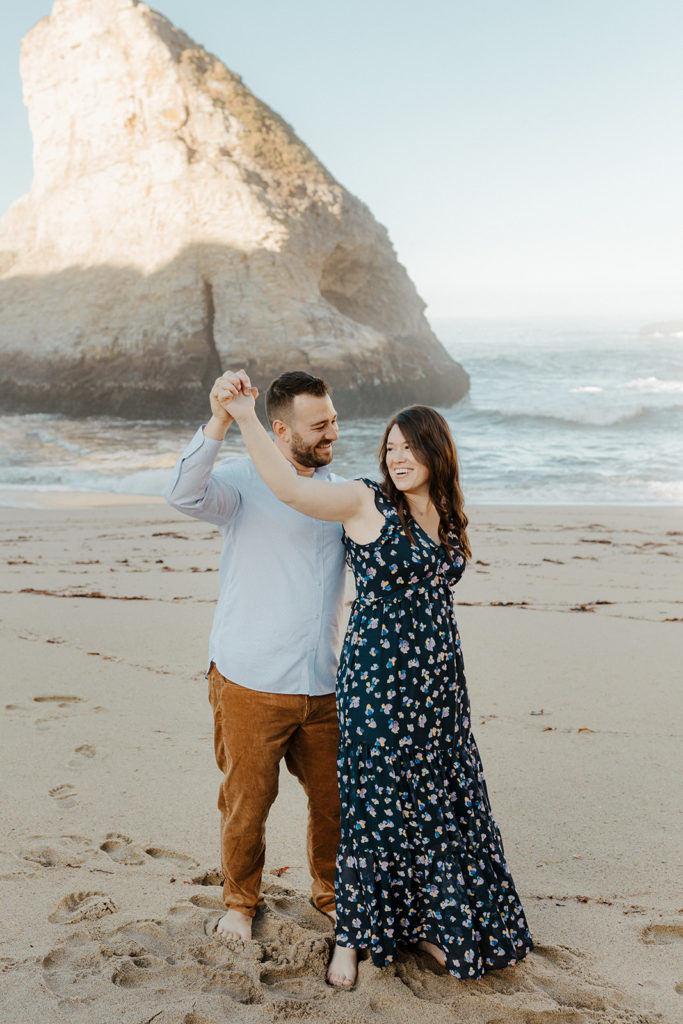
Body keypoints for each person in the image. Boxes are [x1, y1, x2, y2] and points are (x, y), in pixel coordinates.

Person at [216, 374, 533, 988]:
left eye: (409, 448)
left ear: (436, 453)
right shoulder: (366, 502)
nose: (398, 458)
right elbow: (284, 487)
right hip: (380, 689)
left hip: (439, 690)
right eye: (390, 449)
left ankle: (429, 924)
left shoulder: (446, 515)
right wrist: (247, 418)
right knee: (371, 810)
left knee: (437, 808)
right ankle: (352, 943)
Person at [165, 369, 346, 943]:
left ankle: (334, 894)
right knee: (247, 802)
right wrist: (220, 417)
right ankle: (240, 903)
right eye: (319, 426)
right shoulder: (241, 482)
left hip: (325, 683)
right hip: (249, 679)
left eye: (334, 420)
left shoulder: (339, 492)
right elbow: (183, 493)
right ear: (279, 428)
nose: (332, 434)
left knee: (335, 801)